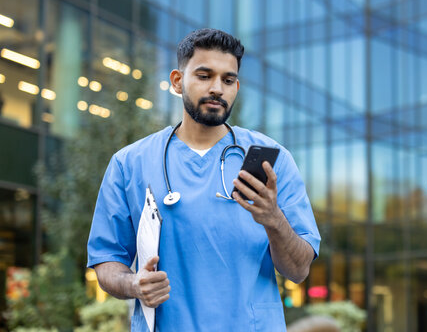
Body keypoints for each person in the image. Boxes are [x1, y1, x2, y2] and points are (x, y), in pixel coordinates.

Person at [87, 28, 320, 332]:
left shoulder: (271, 160)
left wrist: (273, 218)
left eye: (228, 80)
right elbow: (107, 260)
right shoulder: (130, 163)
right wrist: (134, 284)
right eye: (204, 75)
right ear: (177, 81)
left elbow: (299, 270)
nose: (217, 89)